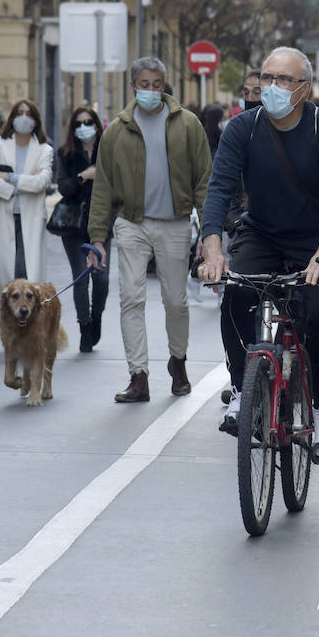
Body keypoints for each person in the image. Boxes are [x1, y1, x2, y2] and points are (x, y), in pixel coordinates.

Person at [199, 47, 319, 458]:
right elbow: (219, 189)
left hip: (314, 238)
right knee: (236, 294)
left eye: (284, 80)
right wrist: (213, 247)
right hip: (261, 234)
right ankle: (240, 386)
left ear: (305, 88)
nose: (273, 88)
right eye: (267, 78)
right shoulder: (241, 129)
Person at [86, 57, 212, 403]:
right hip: (131, 224)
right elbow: (103, 187)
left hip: (174, 224)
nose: (151, 91)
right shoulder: (116, 131)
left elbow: (204, 179)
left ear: (164, 85)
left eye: (157, 84)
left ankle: (178, 361)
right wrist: (97, 238)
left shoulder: (188, 125)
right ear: (133, 87)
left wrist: (209, 232)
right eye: (145, 84)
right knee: (131, 298)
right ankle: (138, 376)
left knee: (176, 301)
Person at [0, 99, 54, 297]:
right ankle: (11, 324)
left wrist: (12, 178)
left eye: (29, 114)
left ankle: (28, 322)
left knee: (26, 274)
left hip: (30, 217)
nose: (24, 118)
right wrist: (17, 188)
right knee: (7, 279)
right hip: (2, 215)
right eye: (19, 113)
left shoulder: (44, 150)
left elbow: (42, 182)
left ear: (36, 121)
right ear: (12, 118)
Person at [54, 106, 110, 352]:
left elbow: (117, 185)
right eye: (78, 123)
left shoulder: (108, 151)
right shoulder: (66, 153)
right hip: (73, 224)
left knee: (102, 278)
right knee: (80, 277)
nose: (83, 127)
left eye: (88, 121)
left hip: (100, 222)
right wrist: (83, 176)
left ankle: (96, 316)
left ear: (97, 124)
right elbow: (63, 188)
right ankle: (84, 327)